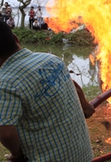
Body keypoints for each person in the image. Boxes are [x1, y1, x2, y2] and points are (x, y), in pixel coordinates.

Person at [0, 21, 94, 161]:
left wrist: (17, 154)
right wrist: (86, 106)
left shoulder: (5, 82)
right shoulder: (52, 59)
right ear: (16, 38)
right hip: (84, 155)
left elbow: (6, 133)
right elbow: (73, 85)